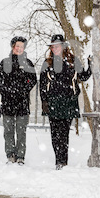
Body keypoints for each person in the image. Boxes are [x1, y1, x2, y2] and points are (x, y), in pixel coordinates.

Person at [39, 34, 91, 170]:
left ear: (63, 46)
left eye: (57, 46)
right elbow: (43, 84)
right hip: (53, 102)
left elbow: (83, 76)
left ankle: (63, 161)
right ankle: (58, 161)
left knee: (64, 133)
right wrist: (44, 101)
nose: (55, 48)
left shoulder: (73, 61)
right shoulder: (47, 63)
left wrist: (90, 66)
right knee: (54, 134)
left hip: (68, 101)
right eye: (53, 46)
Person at [0, 36, 37, 165]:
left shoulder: (28, 63)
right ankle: (10, 154)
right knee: (8, 130)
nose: (19, 48)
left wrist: (23, 90)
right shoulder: (4, 62)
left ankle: (20, 156)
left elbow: (32, 80)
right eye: (17, 46)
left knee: (21, 130)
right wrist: (7, 91)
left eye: (22, 46)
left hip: (22, 103)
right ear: (13, 46)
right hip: (8, 102)